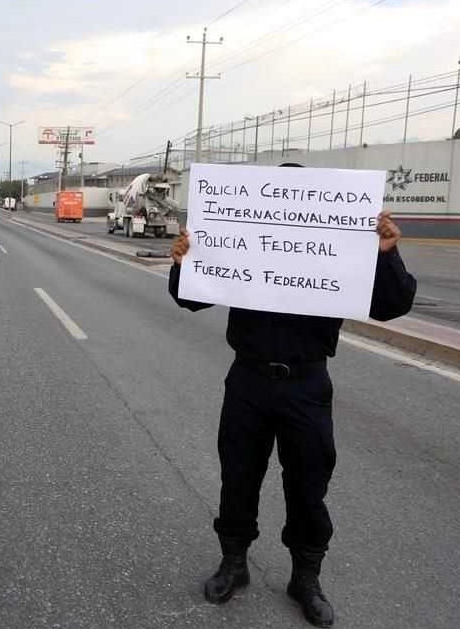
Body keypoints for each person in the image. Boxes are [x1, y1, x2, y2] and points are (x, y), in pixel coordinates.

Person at [168, 164, 417, 628]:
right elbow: (191, 298)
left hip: (307, 384)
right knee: (238, 477)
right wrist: (184, 263)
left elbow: (392, 305)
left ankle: (306, 576)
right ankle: (234, 564)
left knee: (308, 485)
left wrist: (386, 253)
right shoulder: (244, 246)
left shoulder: (338, 252)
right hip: (248, 380)